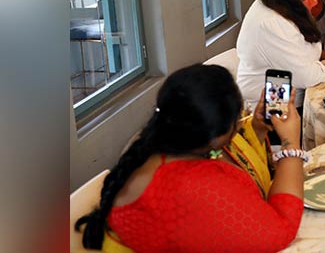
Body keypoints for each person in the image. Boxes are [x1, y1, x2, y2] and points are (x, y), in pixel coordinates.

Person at [75, 64, 305, 252]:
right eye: (237, 120)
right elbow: (279, 230)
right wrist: (290, 144)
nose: (239, 125)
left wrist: (257, 127)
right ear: (213, 137)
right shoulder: (194, 186)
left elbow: (230, 152)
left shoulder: (159, 143)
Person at [236, 0, 325, 106]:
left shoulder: (284, 2)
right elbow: (306, 77)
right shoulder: (271, 21)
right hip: (269, 104)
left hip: (285, 89)